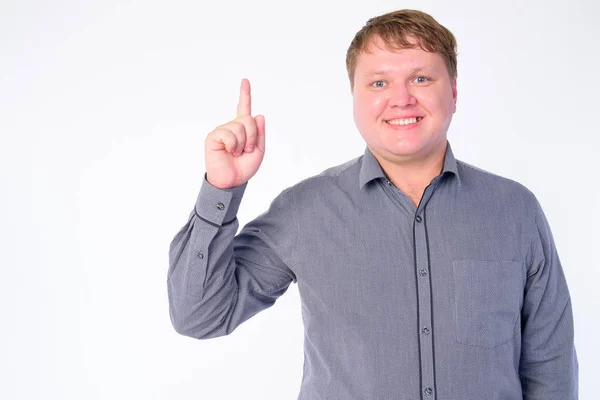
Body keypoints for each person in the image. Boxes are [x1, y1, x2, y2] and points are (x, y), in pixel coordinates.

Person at [167, 9, 578, 399]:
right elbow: (200, 315)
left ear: (453, 92)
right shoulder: (305, 210)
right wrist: (221, 190)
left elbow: (549, 364)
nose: (401, 99)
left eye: (421, 78)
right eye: (379, 83)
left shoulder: (515, 210)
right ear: (354, 98)